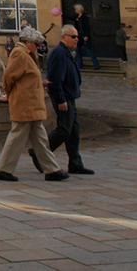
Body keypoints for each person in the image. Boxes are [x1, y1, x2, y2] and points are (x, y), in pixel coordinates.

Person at [0, 26, 66, 182]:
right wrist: (8, 93)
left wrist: (40, 82)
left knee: (40, 139)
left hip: (31, 104)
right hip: (24, 104)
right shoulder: (19, 54)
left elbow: (26, 77)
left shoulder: (27, 54)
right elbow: (8, 76)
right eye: (36, 43)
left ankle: (52, 169)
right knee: (17, 135)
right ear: (27, 42)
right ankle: (3, 169)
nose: (38, 46)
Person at [47, 24, 93, 175]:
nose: (76, 39)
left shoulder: (66, 52)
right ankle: (40, 152)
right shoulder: (59, 53)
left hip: (70, 96)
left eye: (77, 36)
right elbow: (54, 79)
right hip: (64, 97)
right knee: (64, 129)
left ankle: (75, 163)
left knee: (73, 131)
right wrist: (61, 100)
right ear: (63, 37)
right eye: (73, 36)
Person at [72, 4, 99, 70]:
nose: (75, 10)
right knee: (78, 51)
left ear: (79, 10)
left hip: (84, 36)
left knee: (90, 50)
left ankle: (96, 65)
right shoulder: (76, 17)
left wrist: (86, 35)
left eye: (75, 9)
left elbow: (87, 27)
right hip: (78, 36)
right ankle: (79, 65)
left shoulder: (85, 17)